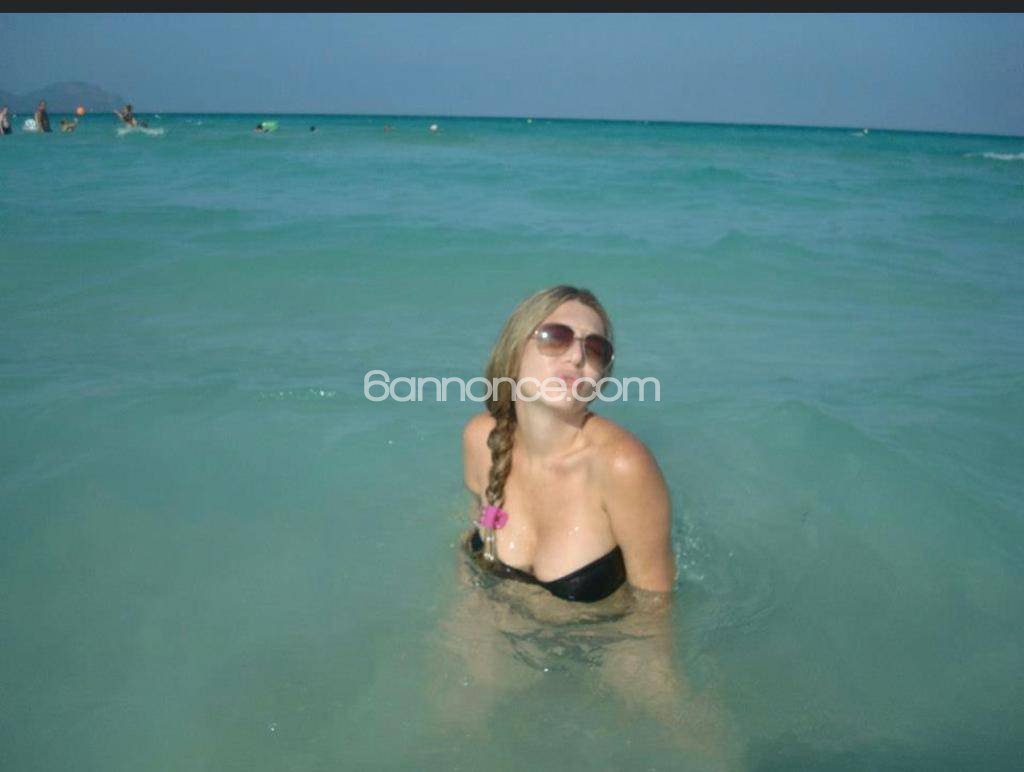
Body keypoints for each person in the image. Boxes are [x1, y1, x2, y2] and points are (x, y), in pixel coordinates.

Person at [438, 285, 734, 758]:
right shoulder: (481, 439)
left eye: (595, 348)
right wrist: (466, 625)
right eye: (555, 336)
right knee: (454, 731)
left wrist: (652, 683)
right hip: (502, 627)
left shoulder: (622, 466)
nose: (577, 356)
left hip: (606, 644)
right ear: (513, 350)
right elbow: (475, 533)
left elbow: (655, 606)